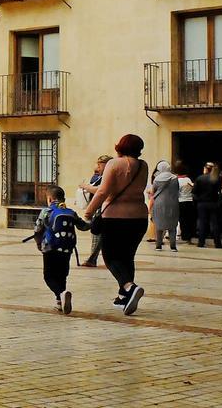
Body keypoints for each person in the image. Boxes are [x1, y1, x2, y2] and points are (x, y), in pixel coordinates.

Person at [83, 134, 149, 316]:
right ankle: (123, 296)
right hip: (139, 217)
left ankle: (129, 286)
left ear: (120, 146)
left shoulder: (114, 164)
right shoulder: (143, 165)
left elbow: (103, 191)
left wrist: (89, 211)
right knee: (128, 257)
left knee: (111, 256)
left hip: (115, 217)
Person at [33, 186, 91, 314]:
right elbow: (84, 226)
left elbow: (37, 229)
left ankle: (61, 294)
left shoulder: (46, 211)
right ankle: (60, 302)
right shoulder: (71, 212)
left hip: (50, 248)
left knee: (48, 276)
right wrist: (93, 219)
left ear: (49, 198)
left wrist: (38, 244)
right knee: (62, 275)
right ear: (63, 198)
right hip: (66, 248)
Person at [77, 154, 111, 267]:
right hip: (100, 210)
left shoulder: (109, 177)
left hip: (104, 210)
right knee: (99, 235)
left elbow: (99, 191)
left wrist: (85, 186)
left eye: (100, 165)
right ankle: (94, 259)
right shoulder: (101, 177)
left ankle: (93, 259)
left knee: (98, 233)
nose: (98, 168)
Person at [148, 160, 179, 251]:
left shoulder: (157, 179)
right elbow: (177, 190)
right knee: (172, 225)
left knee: (158, 224)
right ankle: (173, 246)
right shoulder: (175, 178)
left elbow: (153, 192)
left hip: (159, 203)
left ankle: (158, 245)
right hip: (173, 203)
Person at [193, 162, 222, 249]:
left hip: (202, 203)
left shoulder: (200, 178)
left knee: (202, 223)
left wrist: (198, 199)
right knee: (215, 223)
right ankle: (217, 243)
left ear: (206, 169)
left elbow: (194, 192)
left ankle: (201, 242)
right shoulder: (217, 178)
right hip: (214, 203)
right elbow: (221, 189)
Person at [175, 161, 196, 245]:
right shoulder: (188, 179)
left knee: (182, 220)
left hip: (181, 201)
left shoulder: (177, 181)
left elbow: (176, 193)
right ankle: (189, 238)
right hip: (190, 201)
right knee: (190, 220)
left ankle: (184, 236)